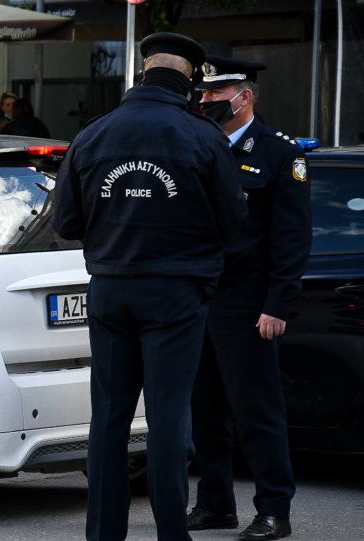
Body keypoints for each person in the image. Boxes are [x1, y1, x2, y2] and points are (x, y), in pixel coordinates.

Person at [51, 33, 247, 541]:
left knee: (109, 419)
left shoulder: (92, 135)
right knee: (166, 419)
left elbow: (67, 223)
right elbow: (235, 224)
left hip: (112, 289)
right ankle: (170, 535)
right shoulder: (203, 137)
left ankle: (103, 535)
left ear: (143, 73)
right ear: (188, 81)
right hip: (176, 294)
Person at [188, 56, 311, 541]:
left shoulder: (281, 153)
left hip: (249, 299)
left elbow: (292, 238)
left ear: (245, 96)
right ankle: (215, 503)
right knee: (204, 409)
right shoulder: (199, 146)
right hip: (201, 297)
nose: (206, 102)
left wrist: (279, 303)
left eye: (216, 95)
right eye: (204, 95)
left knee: (257, 409)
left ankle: (274, 509)